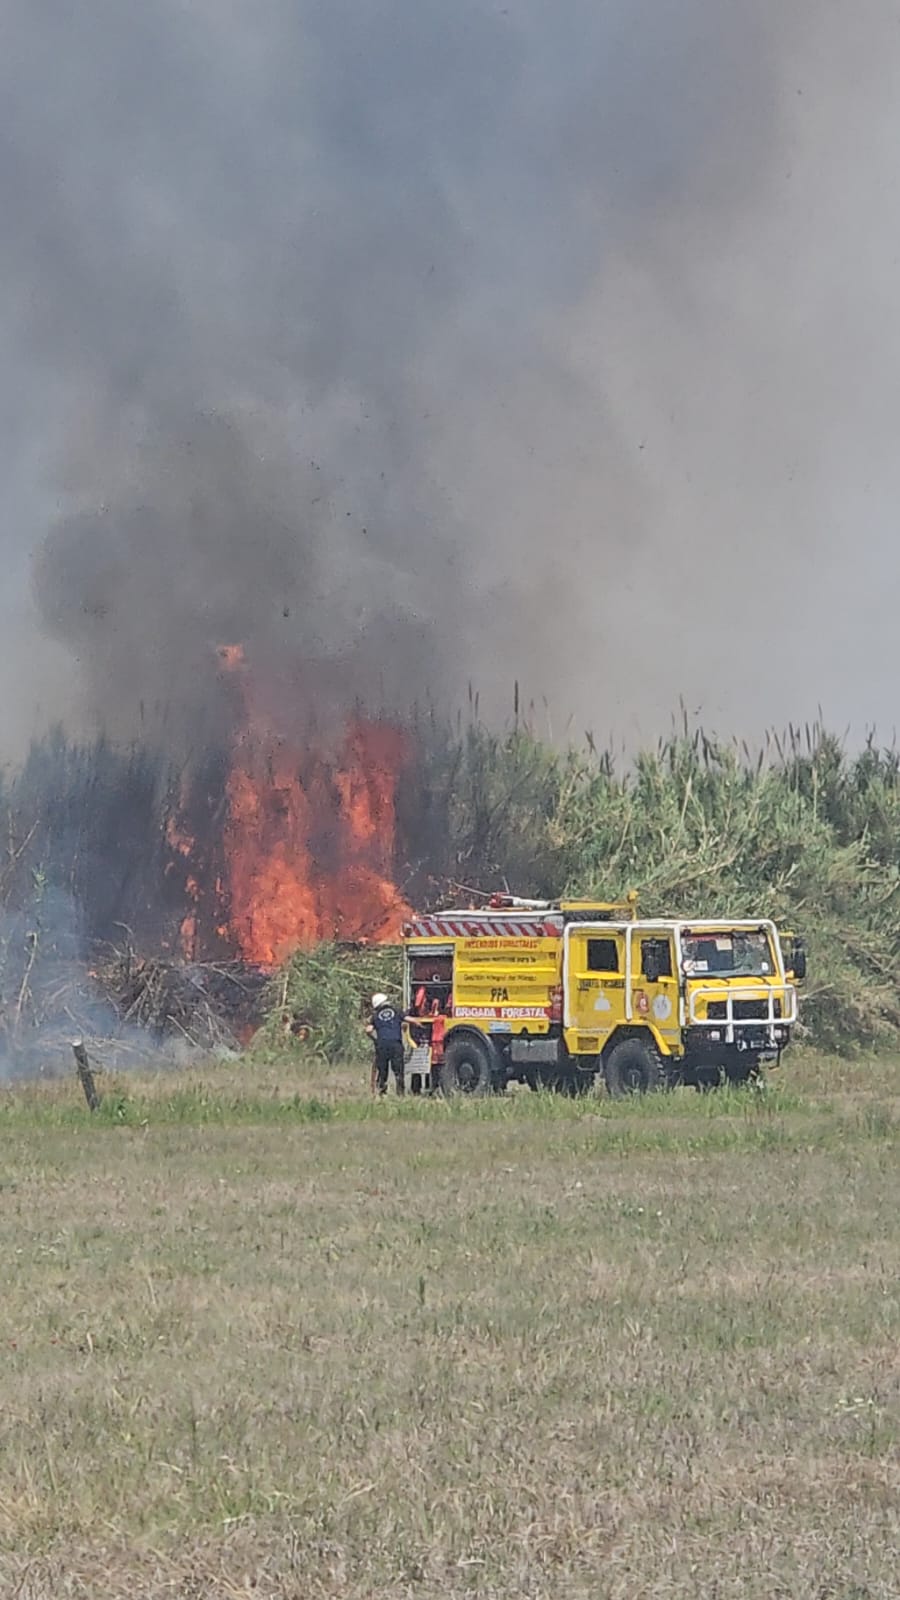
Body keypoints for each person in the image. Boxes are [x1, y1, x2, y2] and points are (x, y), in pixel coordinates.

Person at [366, 991, 406, 1096]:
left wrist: (375, 1040)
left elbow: (368, 1030)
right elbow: (409, 1020)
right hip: (396, 1044)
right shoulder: (396, 1011)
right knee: (398, 1070)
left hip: (382, 1045)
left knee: (382, 1070)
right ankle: (400, 1093)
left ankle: (382, 1092)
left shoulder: (375, 1016)